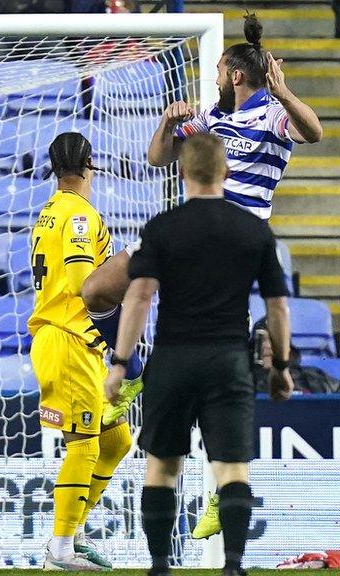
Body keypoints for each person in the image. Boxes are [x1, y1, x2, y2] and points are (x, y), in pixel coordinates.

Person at [80, 11, 323, 427]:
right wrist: (168, 123)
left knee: (205, 359)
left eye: (217, 72)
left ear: (236, 77)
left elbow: (314, 132)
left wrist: (284, 94)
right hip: (187, 232)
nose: (213, 79)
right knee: (97, 290)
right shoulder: (210, 116)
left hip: (233, 244)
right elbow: (157, 158)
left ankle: (217, 480)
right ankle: (132, 372)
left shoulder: (271, 115)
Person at [104, 134, 293, 576]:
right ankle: (232, 566)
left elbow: (140, 295)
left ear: (183, 172)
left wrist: (119, 363)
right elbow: (278, 306)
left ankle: (159, 566)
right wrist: (281, 368)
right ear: (225, 172)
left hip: (171, 360)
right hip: (228, 360)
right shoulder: (253, 230)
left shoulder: (162, 228)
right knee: (231, 470)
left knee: (163, 467)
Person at [26, 133, 133, 571]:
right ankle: (60, 549)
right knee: (84, 445)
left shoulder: (49, 210)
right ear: (91, 163)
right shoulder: (79, 216)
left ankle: (72, 532)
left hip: (72, 342)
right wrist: (129, 269)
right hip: (68, 338)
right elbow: (81, 285)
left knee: (116, 442)